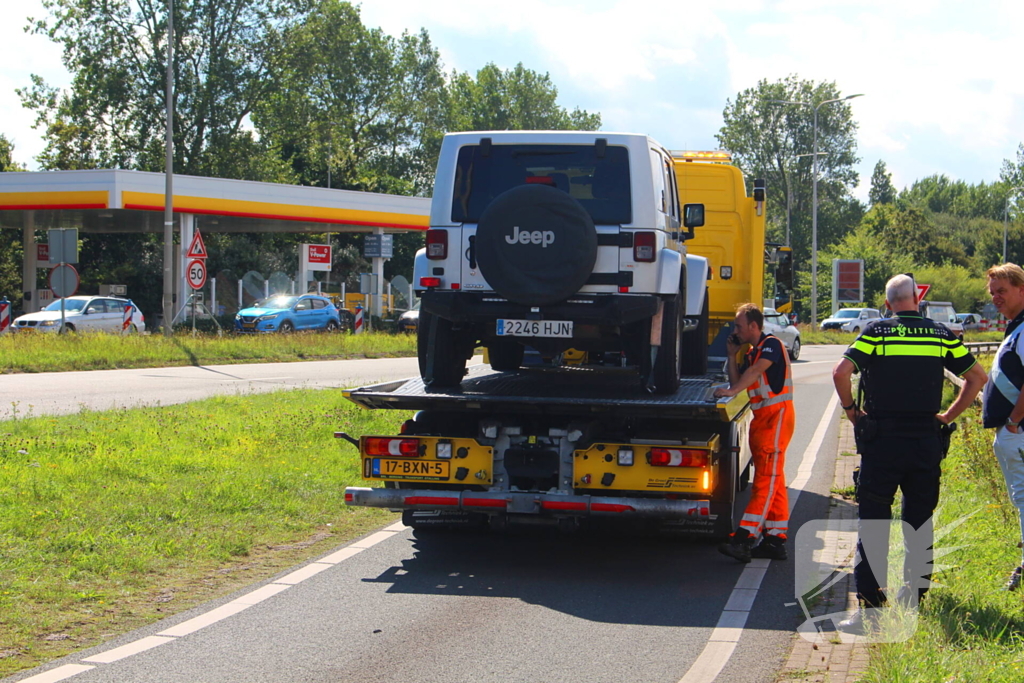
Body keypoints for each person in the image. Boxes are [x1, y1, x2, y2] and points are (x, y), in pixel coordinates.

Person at [833, 274, 985, 633]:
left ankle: (870, 611)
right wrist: (947, 416)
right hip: (924, 444)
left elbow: (841, 372)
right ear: (917, 300)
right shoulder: (941, 335)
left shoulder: (876, 333)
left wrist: (853, 411)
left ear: (888, 304)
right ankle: (913, 601)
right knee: (919, 523)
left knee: (873, 525)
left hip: (882, 443)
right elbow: (977, 377)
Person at [714, 303, 795, 563]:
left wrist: (731, 392)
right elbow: (739, 377)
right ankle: (774, 539)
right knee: (773, 479)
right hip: (763, 421)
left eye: (738, 325)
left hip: (777, 418)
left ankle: (744, 538)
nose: (735, 329)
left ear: (753, 326)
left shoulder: (771, 344)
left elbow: (755, 372)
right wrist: (731, 355)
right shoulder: (751, 353)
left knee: (765, 481)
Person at [981, 263, 1024, 590]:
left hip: (1018, 430)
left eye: (1003, 291)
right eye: (992, 292)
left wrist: (1013, 421)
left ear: (1021, 289)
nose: (996, 297)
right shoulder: (1015, 327)